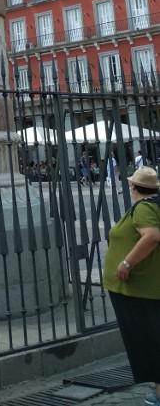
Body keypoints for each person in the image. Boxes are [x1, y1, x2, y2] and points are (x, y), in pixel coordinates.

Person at [103, 166, 160, 406]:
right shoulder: (151, 206)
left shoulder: (143, 208)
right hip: (143, 287)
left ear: (133, 187)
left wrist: (126, 263)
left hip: (138, 289)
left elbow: (152, 236)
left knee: (150, 342)